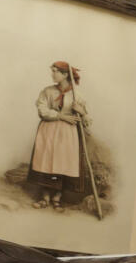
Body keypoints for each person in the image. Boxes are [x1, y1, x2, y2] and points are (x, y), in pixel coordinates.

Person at [27, 61, 99, 215]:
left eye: (55, 71)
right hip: (48, 131)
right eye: (52, 71)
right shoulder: (47, 91)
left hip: (67, 135)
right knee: (47, 163)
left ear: (65, 74)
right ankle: (45, 198)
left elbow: (87, 121)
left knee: (62, 165)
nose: (52, 74)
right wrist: (61, 116)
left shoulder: (77, 95)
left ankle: (57, 199)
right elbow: (42, 110)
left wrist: (82, 112)